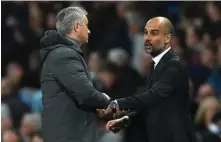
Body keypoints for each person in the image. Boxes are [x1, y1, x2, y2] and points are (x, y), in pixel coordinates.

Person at [104, 17, 196, 142]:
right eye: (146, 33)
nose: (148, 38)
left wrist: (120, 104)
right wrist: (125, 120)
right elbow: (145, 104)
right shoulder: (156, 65)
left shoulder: (173, 65)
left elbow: (153, 95)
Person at [40, 7, 111, 142]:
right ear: (77, 27)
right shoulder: (63, 55)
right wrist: (105, 100)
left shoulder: (62, 53)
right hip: (69, 136)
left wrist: (97, 106)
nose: (89, 30)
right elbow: (85, 94)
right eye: (86, 25)